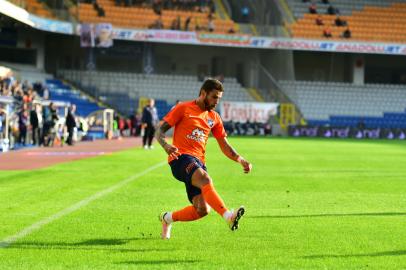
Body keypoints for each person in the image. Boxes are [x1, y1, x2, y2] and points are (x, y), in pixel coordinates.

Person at [155, 78, 253, 239]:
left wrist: (241, 159)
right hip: (180, 158)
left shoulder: (214, 118)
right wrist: (166, 146)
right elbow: (159, 130)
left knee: (202, 210)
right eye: (214, 97)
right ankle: (228, 216)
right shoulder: (183, 108)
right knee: (205, 179)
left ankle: (167, 218)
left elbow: (224, 145)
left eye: (219, 98)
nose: (216, 102)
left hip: (198, 162)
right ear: (203, 93)